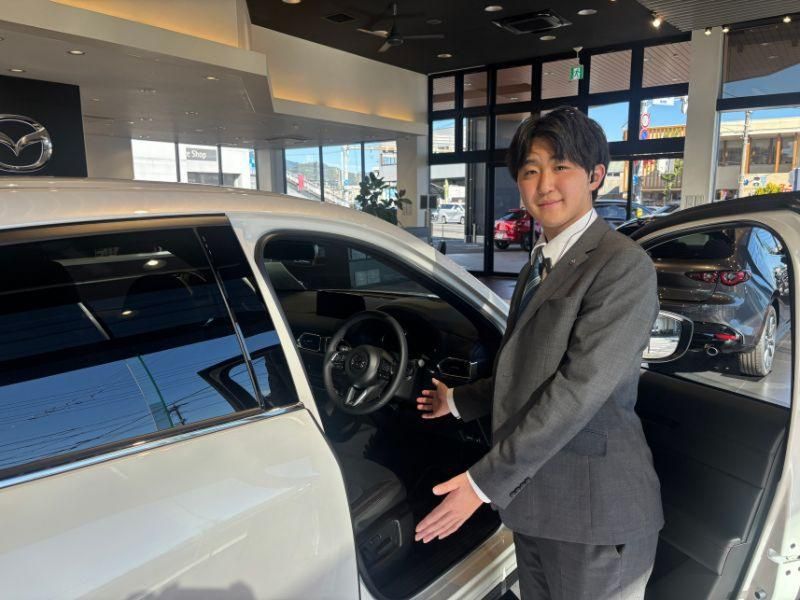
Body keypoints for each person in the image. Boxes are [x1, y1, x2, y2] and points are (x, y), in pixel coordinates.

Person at [415, 107, 663, 600]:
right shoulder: (537, 265)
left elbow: (577, 391)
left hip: (594, 515)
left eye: (560, 166)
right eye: (530, 171)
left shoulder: (622, 266)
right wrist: (457, 401)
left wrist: (481, 484)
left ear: (595, 175)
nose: (544, 184)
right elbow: (528, 372)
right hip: (535, 505)